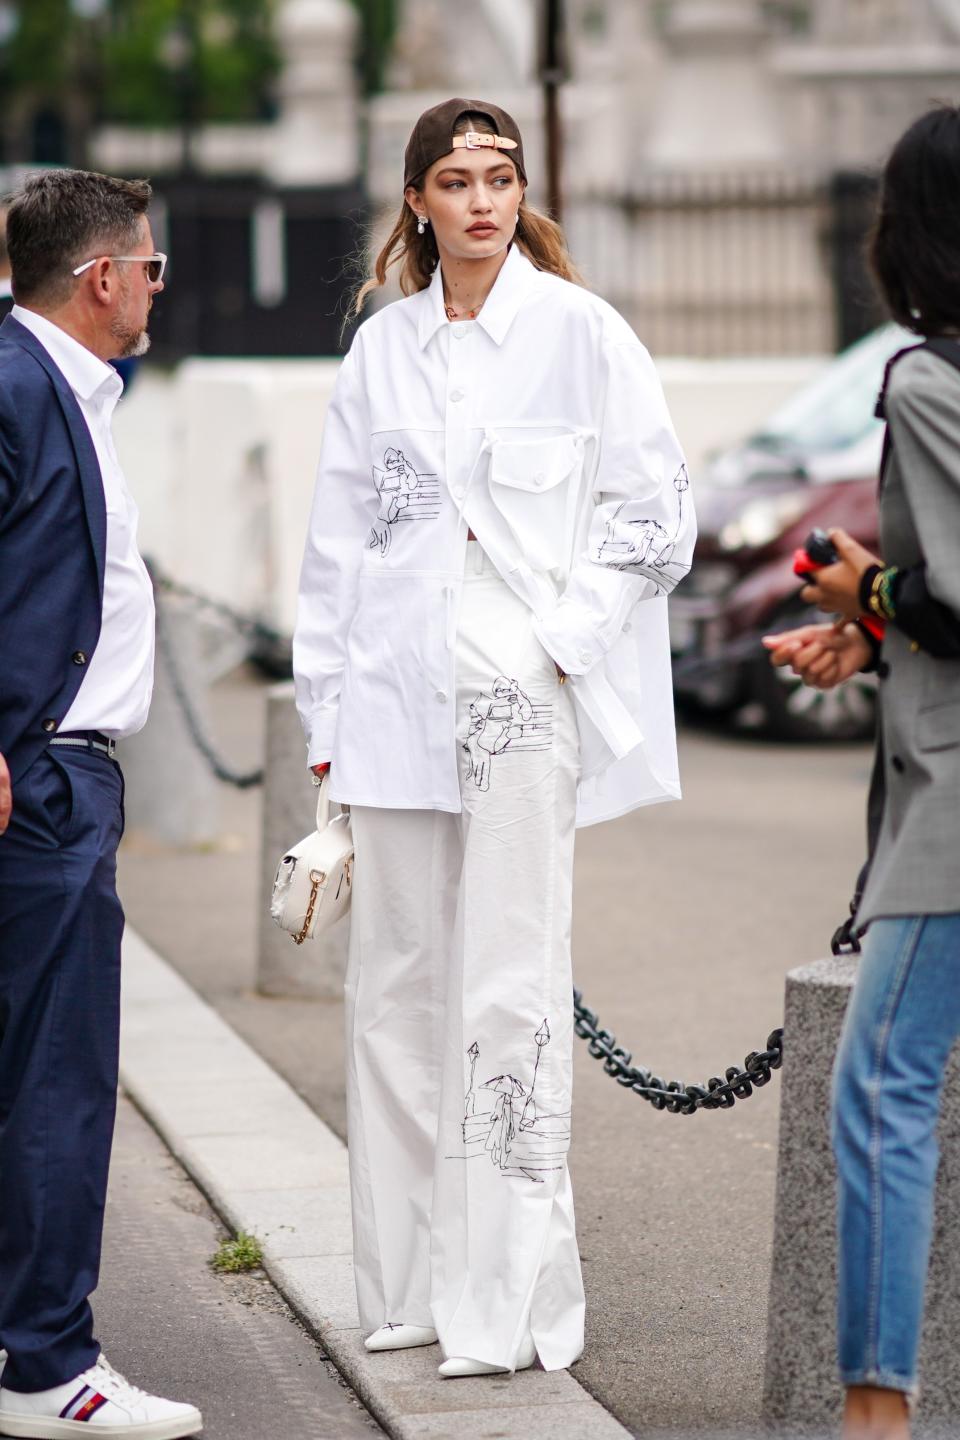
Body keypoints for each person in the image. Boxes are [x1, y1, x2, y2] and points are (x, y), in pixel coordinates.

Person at [294, 98, 695, 1379]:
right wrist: (326, 731)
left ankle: (508, 1297)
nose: (480, 200)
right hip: (392, 693)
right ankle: (409, 1282)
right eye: (455, 180)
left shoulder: (581, 333)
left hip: (520, 682)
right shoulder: (381, 352)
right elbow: (334, 553)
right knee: (395, 992)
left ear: (522, 195)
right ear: (416, 200)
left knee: (507, 985)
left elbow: (657, 508)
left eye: (500, 177)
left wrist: (561, 643)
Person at [763, 104, 960, 1440]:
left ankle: (877, 1414)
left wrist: (870, 582)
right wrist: (879, 626)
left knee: (882, 1085)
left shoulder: (930, 380)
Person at [0, 169, 201, 1438]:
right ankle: (48, 1369)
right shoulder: (22, 385)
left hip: (59, 771)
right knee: (58, 1079)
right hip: (43, 776)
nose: (157, 286)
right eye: (152, 265)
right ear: (103, 278)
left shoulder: (64, 387)